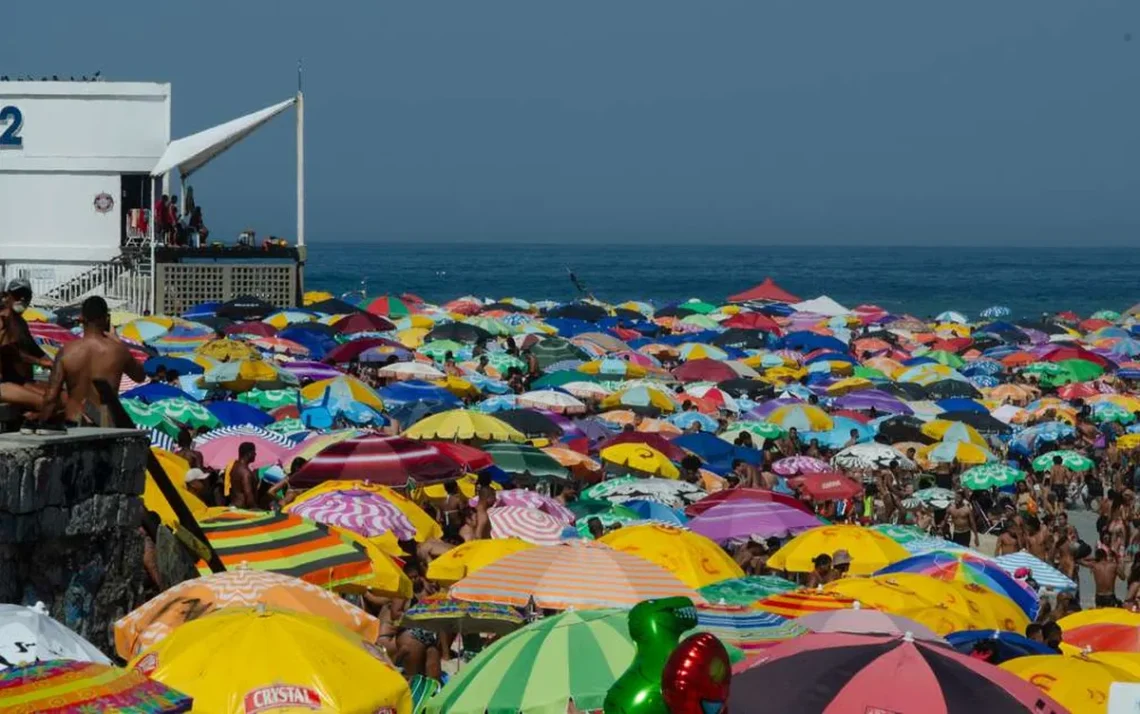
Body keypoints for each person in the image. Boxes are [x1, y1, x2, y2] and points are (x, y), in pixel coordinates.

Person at [37, 296, 146, 430]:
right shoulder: (118, 351)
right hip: (105, 425)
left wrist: (40, 424)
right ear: (106, 318)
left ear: (81, 317)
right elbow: (140, 376)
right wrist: (118, 342)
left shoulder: (67, 351)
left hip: (74, 422)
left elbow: (51, 396)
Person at [0, 278, 51, 416]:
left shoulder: (19, 322)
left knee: (56, 398)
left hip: (16, 380)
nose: (22, 298)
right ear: (6, 296)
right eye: (17, 294)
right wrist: (40, 363)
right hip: (4, 383)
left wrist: (55, 366)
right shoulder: (4, 318)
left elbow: (37, 352)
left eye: (25, 295)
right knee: (45, 403)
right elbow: (9, 352)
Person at [227, 442, 259, 509]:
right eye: (254, 452)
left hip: (233, 505)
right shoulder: (245, 472)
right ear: (249, 454)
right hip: (241, 509)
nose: (255, 454)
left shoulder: (234, 466)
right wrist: (256, 509)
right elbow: (248, 495)